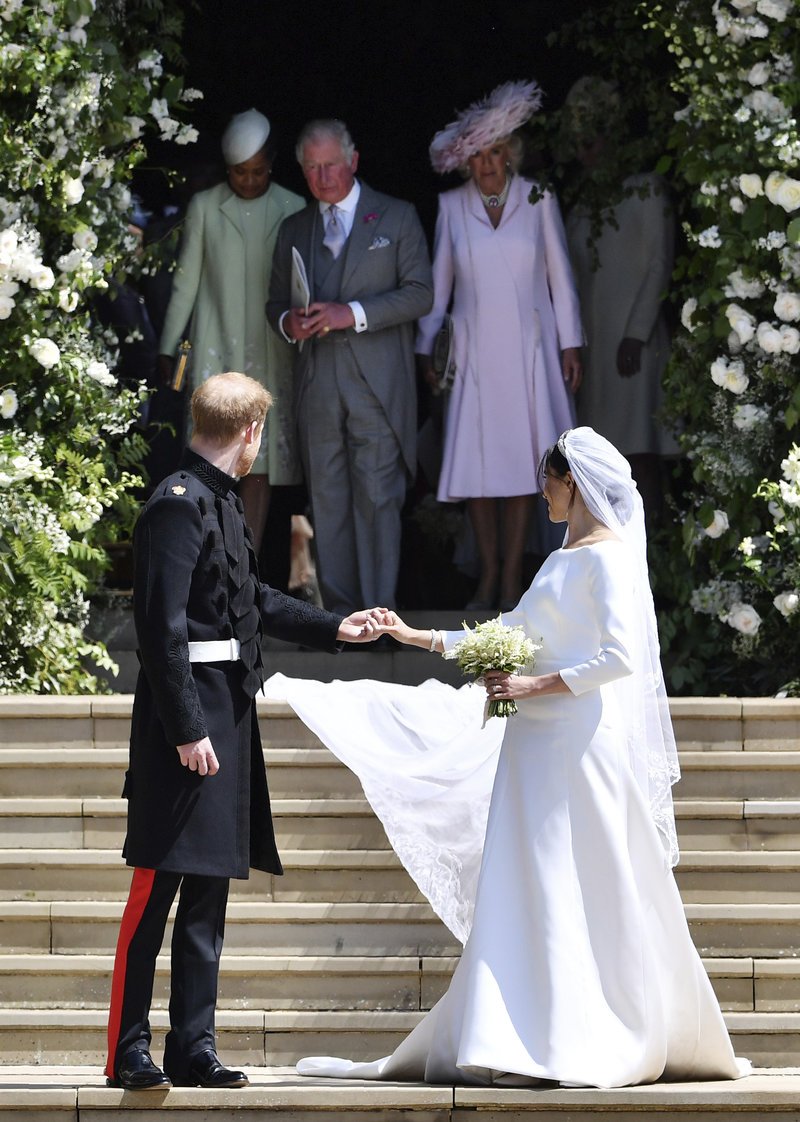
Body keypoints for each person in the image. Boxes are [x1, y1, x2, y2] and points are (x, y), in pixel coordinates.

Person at [272, 427, 748, 1088]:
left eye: (548, 479)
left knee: (581, 881)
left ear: (573, 482)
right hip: (532, 748)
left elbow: (619, 658)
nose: (542, 489)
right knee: (530, 885)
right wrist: (410, 633)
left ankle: (581, 1034)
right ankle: (518, 1034)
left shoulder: (606, 558)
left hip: (577, 746)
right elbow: (508, 637)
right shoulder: (562, 559)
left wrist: (532, 686)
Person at [104, 371, 383, 1091]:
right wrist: (187, 728)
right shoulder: (176, 504)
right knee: (156, 889)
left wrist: (333, 627)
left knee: (208, 892)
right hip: (184, 718)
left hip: (225, 711)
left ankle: (192, 1045)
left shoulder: (219, 503)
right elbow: (160, 631)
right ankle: (127, 1048)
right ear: (251, 432)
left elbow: (248, 599)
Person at [416, 81, 583, 612]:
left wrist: (571, 344)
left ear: (509, 154)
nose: (487, 164)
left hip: (529, 351)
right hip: (473, 354)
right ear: (466, 162)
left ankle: (512, 576)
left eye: (495, 153)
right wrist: (427, 349)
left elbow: (561, 278)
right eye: (478, 156)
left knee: (520, 470)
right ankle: (487, 574)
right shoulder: (450, 206)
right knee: (479, 472)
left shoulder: (539, 198)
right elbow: (439, 286)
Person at [267, 118, 433, 615]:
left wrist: (352, 313)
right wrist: (287, 323)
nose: (322, 177)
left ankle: (381, 616)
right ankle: (342, 619)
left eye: (331, 165)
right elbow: (274, 302)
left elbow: (421, 294)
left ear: (354, 161)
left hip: (378, 385)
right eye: (312, 168)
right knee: (329, 499)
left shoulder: (397, 216)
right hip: (317, 383)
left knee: (379, 498)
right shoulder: (294, 227)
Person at [159, 109, 304, 558]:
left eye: (258, 171)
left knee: (260, 461)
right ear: (227, 169)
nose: (249, 180)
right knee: (211, 455)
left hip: (271, 347)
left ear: (272, 163)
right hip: (215, 344)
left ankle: (249, 562)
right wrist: (167, 346)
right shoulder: (205, 205)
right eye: (240, 172)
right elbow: (186, 282)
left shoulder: (293, 206)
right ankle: (209, 561)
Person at [562, 77, 677, 523]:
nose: (587, 153)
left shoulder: (646, 189)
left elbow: (658, 264)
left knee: (639, 452)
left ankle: (658, 557)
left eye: (594, 141)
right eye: (581, 144)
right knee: (603, 460)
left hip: (634, 346)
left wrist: (636, 334)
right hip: (595, 351)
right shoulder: (582, 208)